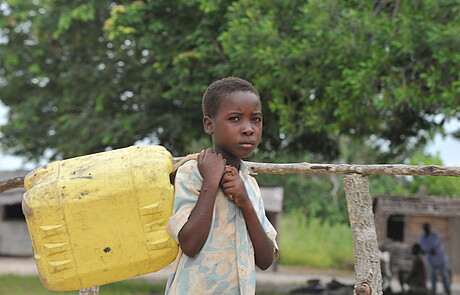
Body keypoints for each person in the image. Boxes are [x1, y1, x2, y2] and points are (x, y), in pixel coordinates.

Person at [165, 77, 279, 294]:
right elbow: (190, 245)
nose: (248, 129)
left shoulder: (249, 185)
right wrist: (210, 182)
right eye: (235, 119)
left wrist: (244, 201)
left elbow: (265, 260)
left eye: (255, 119)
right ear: (209, 124)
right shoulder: (192, 174)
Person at [419, 223, 451, 295]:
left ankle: (447, 290)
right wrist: (426, 251)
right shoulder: (422, 237)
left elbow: (434, 246)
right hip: (431, 260)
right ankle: (433, 291)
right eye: (425, 227)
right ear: (423, 228)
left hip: (441, 259)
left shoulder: (435, 235)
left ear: (429, 227)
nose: (426, 229)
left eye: (427, 227)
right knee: (432, 276)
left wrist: (427, 251)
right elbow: (423, 248)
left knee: (444, 275)